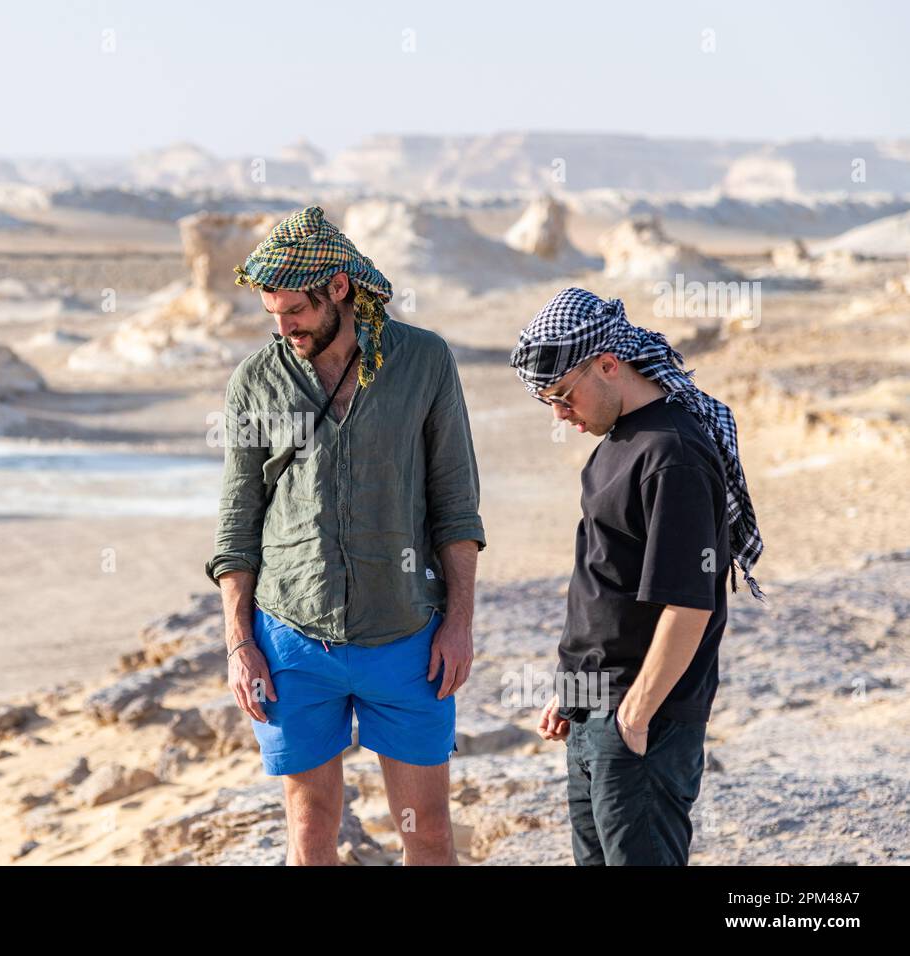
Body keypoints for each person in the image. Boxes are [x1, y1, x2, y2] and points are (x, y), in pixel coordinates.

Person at [205, 205, 486, 865]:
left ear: (338, 288)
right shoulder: (256, 380)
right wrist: (239, 643)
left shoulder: (424, 361)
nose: (283, 329)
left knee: (429, 833)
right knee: (311, 831)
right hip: (292, 642)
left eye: (294, 311)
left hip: (408, 637)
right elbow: (237, 516)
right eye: (271, 314)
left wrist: (460, 623)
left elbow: (456, 504)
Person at [509, 286, 766, 866]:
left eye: (562, 395)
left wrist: (636, 713)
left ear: (608, 364)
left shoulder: (671, 452)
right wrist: (573, 690)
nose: (558, 413)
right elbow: (610, 587)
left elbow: (688, 605)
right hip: (594, 714)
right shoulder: (619, 440)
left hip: (638, 723)